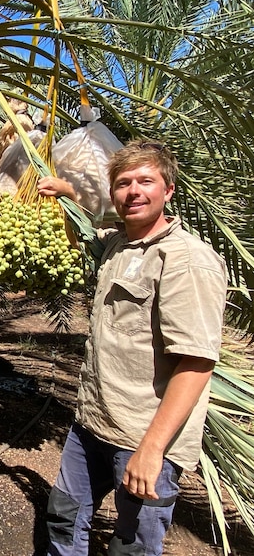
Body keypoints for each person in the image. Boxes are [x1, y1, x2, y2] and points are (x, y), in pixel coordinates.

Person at [37, 139, 228, 555]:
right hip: (92, 422)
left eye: (146, 180)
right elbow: (89, 225)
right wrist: (70, 194)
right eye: (123, 183)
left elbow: (196, 364)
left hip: (141, 438)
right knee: (64, 516)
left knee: (133, 545)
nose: (134, 191)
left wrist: (152, 450)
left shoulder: (186, 261)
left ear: (169, 190)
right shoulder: (117, 245)